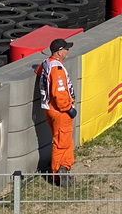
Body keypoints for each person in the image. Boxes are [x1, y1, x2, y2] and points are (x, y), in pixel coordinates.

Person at [39, 38, 77, 186]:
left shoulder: (46, 63)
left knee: (65, 141)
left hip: (49, 109)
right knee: (61, 143)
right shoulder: (57, 69)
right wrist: (68, 108)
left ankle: (65, 168)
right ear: (60, 51)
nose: (68, 51)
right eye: (66, 49)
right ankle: (56, 175)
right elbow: (59, 93)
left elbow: (39, 72)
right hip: (60, 111)